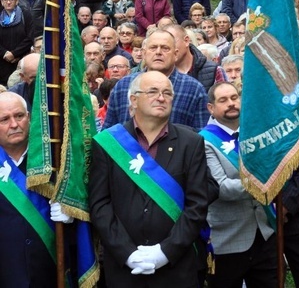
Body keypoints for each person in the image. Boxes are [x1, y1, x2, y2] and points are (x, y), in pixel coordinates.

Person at [89, 71, 210, 287]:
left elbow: (197, 205)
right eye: (153, 91)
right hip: (124, 269)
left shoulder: (191, 142)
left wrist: (165, 252)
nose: (161, 98)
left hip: (177, 268)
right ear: (133, 100)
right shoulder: (107, 143)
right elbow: (100, 205)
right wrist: (126, 253)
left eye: (167, 93)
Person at [200, 82, 277, 287]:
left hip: (264, 232)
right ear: (211, 108)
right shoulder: (203, 142)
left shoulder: (255, 134)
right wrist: (265, 182)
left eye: (234, 98)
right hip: (228, 238)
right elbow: (223, 188)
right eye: (223, 100)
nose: (231, 104)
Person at [0, 91, 78, 286]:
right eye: (4, 119)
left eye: (19, 116)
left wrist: (70, 212)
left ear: (29, 118)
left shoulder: (55, 161)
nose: (14, 125)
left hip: (50, 270)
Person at [103, 30, 210, 131]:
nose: (158, 52)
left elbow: (201, 138)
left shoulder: (194, 89)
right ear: (144, 54)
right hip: (126, 151)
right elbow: (108, 135)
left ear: (175, 54)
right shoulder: (123, 86)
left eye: (165, 48)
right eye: (153, 48)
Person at [0, 0, 33, 87]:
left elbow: (30, 37)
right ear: (1, 1)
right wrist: (5, 53)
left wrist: (14, 54)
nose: (8, 2)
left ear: (17, 1)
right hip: (2, 63)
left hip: (20, 62)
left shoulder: (25, 15)